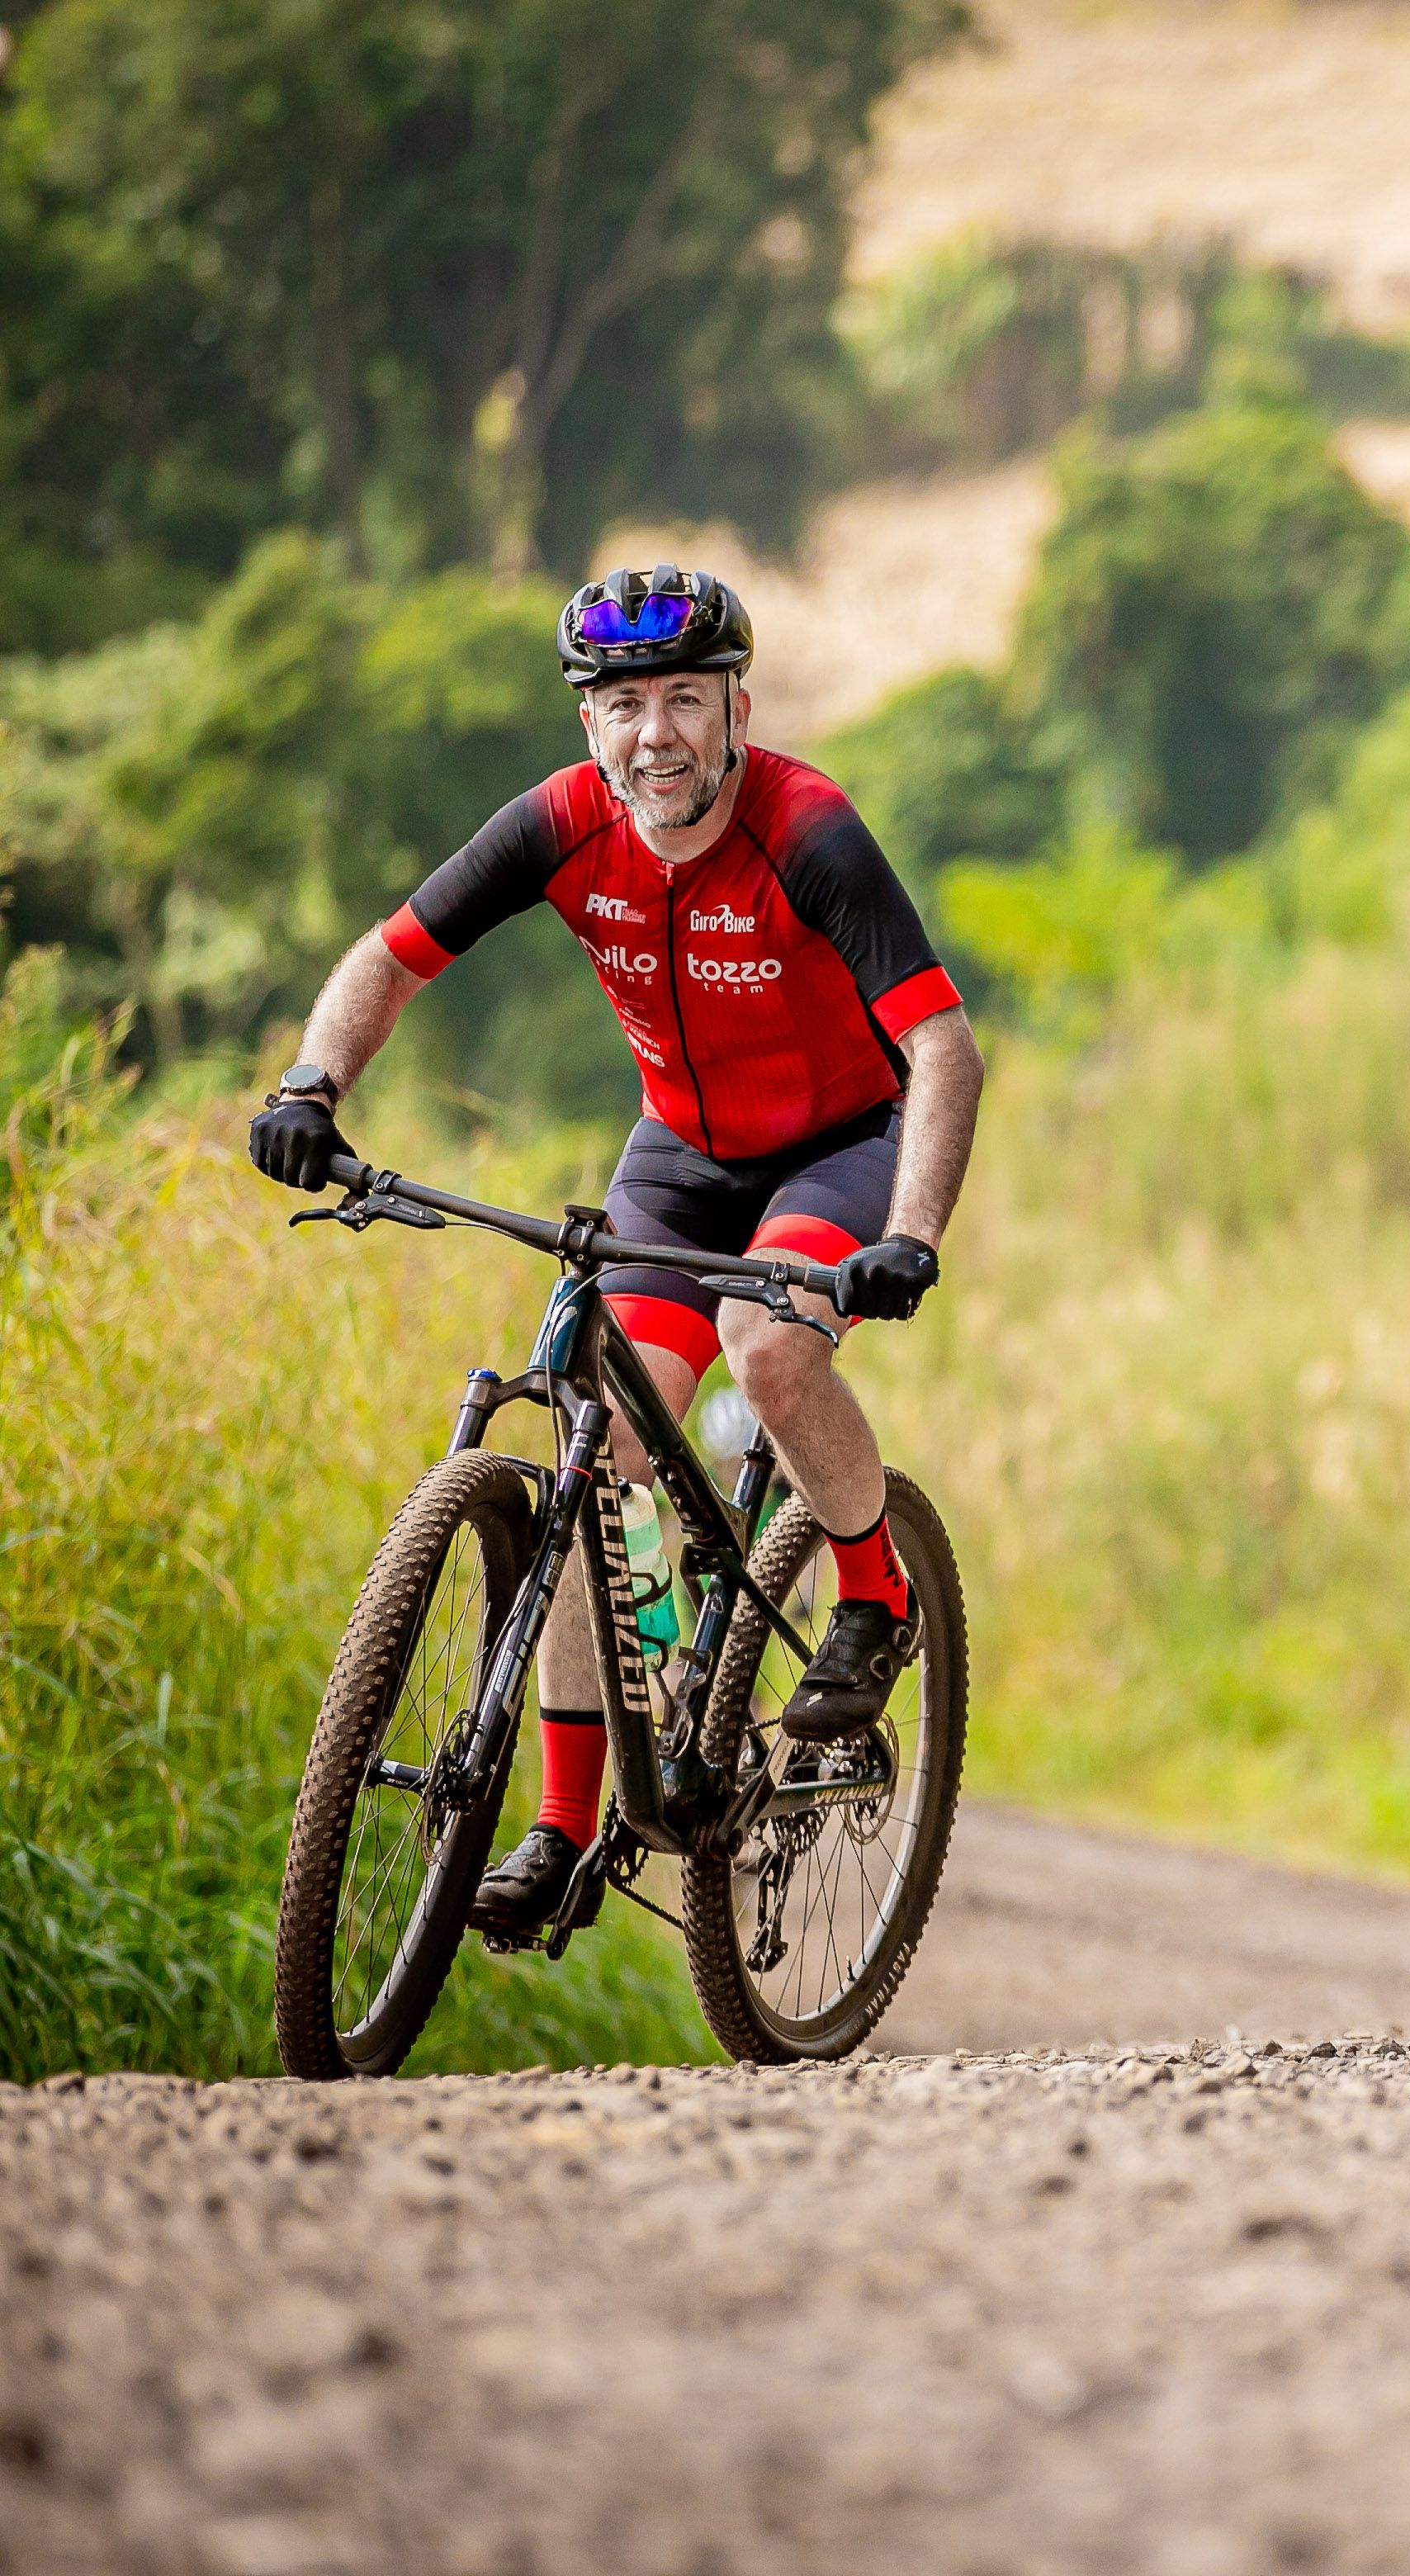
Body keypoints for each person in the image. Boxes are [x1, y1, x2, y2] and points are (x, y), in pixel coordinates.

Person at [248, 564, 983, 1941]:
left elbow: (942, 1046)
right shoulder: (559, 823)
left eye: (687, 701)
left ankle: (874, 1595)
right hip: (680, 1157)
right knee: (602, 1450)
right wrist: (310, 1085)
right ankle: (562, 1823)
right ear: (591, 726)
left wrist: (910, 1235)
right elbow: (391, 958)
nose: (658, 734)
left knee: (769, 1353)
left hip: (840, 1143)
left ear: (738, 711)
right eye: (627, 705)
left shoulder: (807, 828)